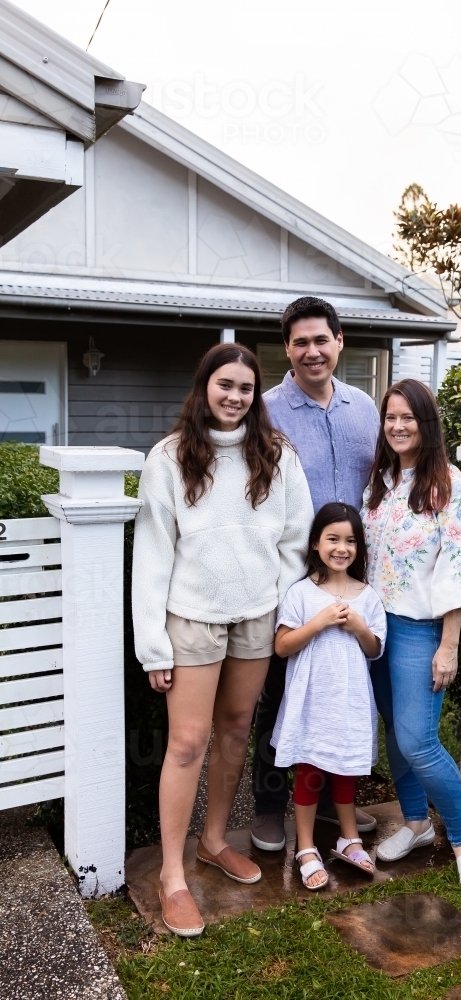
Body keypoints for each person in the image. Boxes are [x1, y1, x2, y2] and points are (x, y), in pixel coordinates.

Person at [132, 343, 313, 936]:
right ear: (204, 386)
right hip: (191, 618)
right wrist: (153, 644)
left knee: (236, 730)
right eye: (224, 384)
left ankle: (214, 840)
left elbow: (295, 537)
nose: (235, 397)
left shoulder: (277, 455)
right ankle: (172, 877)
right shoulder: (171, 456)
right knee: (186, 744)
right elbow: (152, 554)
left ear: (256, 394)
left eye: (245, 387)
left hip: (256, 617)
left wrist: (284, 605)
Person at [251, 296, 380, 852]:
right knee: (283, 696)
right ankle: (269, 807)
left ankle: (331, 805)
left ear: (339, 341)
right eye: (300, 342)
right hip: (293, 582)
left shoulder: (365, 408)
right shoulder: (267, 411)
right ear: (287, 348)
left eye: (320, 340)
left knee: (341, 693)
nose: (311, 352)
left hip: (353, 578)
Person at [361, 378, 461, 892]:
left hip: (419, 629)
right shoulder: (379, 480)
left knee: (419, 739)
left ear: (426, 423)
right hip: (375, 628)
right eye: (390, 417)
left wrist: (449, 643)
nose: (397, 426)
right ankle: (415, 823)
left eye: (407, 418)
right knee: (394, 729)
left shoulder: (447, 482)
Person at [271, 503, 387, 889]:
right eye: (333, 539)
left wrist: (357, 626)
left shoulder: (367, 596)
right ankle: (305, 846)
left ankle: (348, 838)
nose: (342, 548)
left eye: (350, 541)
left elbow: (374, 649)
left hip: (350, 699)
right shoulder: (301, 593)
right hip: (312, 699)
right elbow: (283, 646)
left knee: (346, 767)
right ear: (316, 544)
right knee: (310, 770)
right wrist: (318, 622)